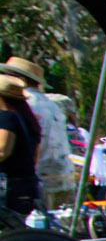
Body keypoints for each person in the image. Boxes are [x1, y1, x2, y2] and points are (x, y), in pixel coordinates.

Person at [0, 57, 70, 209]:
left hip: (39, 175)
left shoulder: (26, 104)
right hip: (63, 172)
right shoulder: (52, 103)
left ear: (21, 79)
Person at [0, 74, 41, 218]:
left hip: (9, 188)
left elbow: (2, 152)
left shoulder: (6, 117)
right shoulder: (27, 120)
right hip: (26, 186)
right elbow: (34, 158)